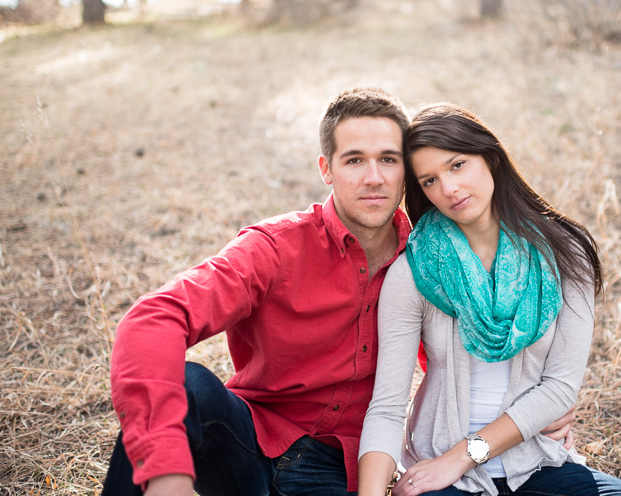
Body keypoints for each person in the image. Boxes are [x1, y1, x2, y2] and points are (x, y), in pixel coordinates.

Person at [100, 87, 581, 496]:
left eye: (388, 160)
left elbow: (456, 355)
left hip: (342, 473)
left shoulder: (430, 260)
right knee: (190, 386)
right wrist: (166, 470)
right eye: (354, 160)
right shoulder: (274, 249)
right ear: (326, 169)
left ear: (404, 173)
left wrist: (544, 407)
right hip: (251, 443)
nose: (373, 177)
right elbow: (154, 319)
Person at [358, 103, 621, 496]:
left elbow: (559, 388)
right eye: (429, 180)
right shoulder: (414, 272)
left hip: (537, 463)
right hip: (441, 476)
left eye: (457, 165)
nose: (448, 189)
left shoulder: (563, 254)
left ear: (491, 159)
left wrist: (463, 455)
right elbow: (387, 407)